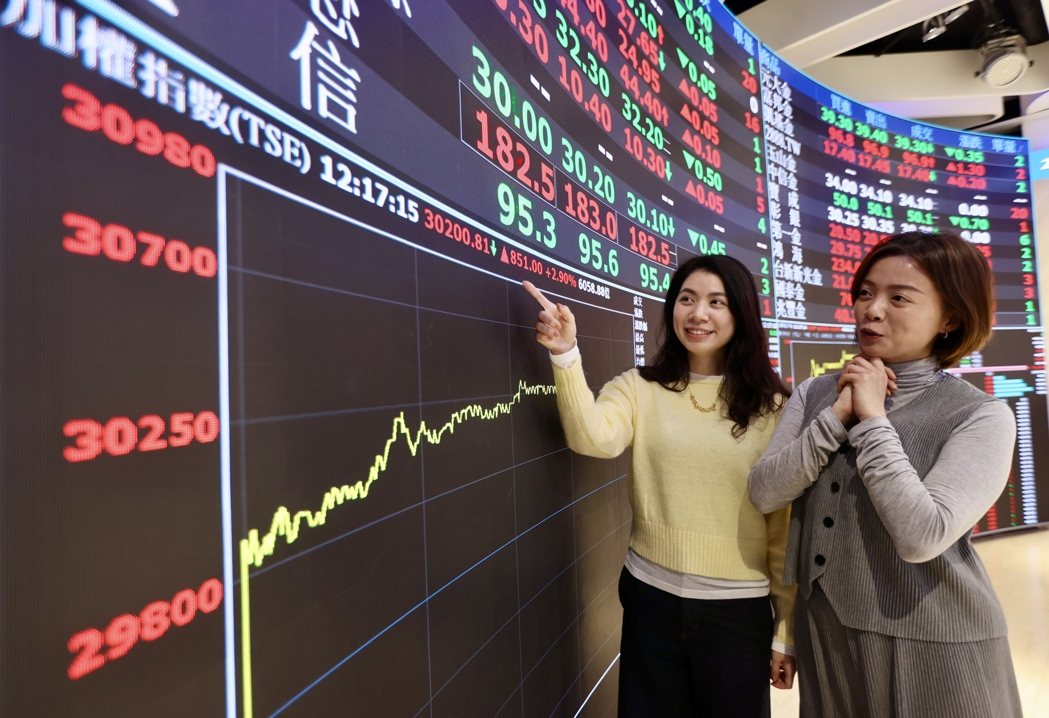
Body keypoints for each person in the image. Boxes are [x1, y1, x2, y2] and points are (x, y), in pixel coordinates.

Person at [748, 230, 1023, 717]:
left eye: (899, 298)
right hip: (827, 635)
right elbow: (764, 492)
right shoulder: (815, 394)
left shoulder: (981, 416)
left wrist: (873, 418)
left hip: (935, 644)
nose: (871, 310)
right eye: (866, 293)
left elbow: (922, 534)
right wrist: (837, 417)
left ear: (950, 318)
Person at [524, 254, 796, 717]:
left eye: (716, 302)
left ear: (742, 314)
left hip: (736, 612)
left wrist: (785, 631)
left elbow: (783, 528)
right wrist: (566, 355)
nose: (698, 314)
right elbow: (592, 437)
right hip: (651, 599)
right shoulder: (641, 386)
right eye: (686, 299)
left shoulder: (774, 408)